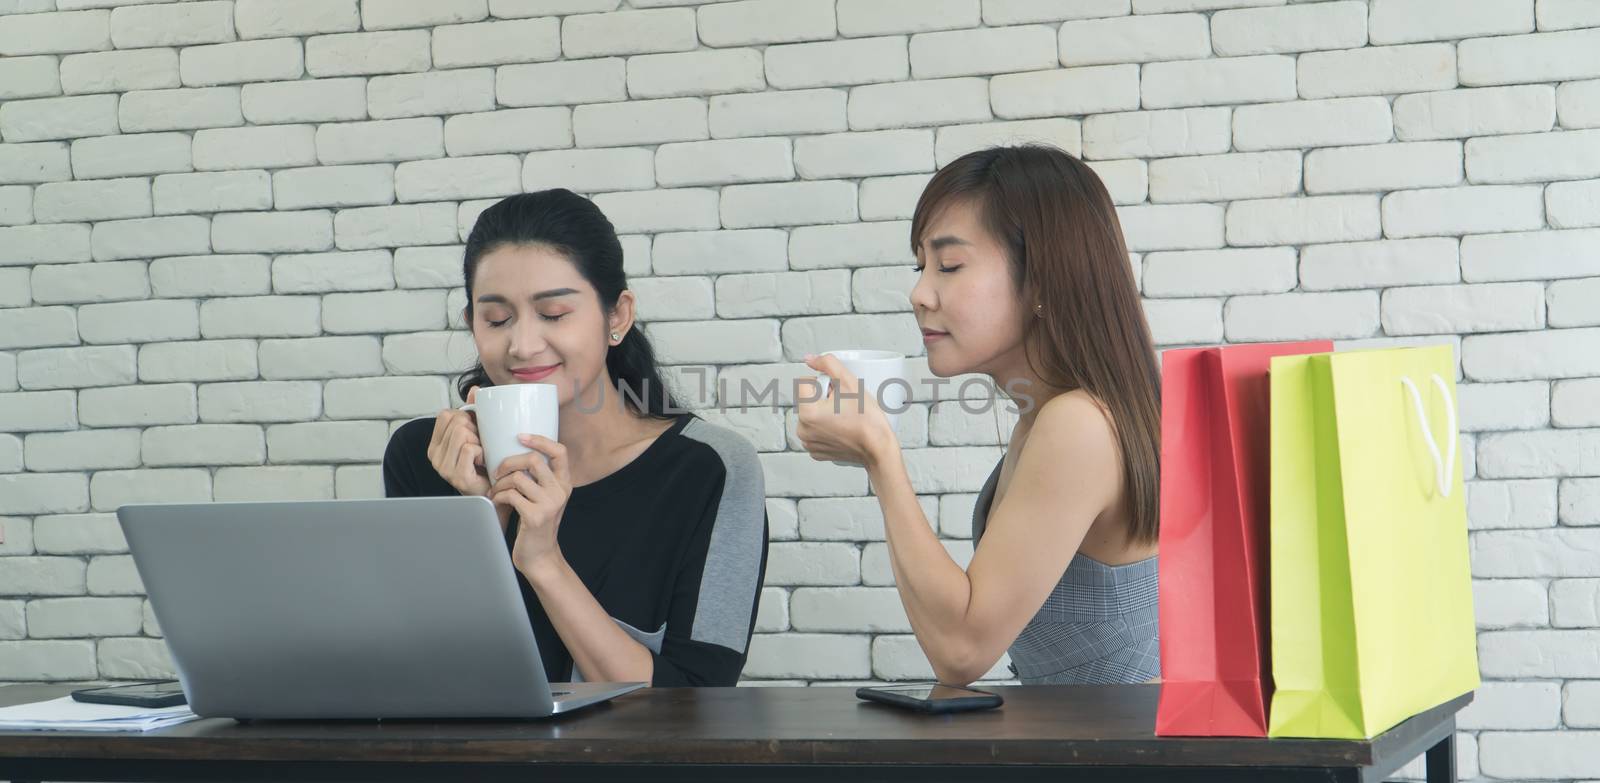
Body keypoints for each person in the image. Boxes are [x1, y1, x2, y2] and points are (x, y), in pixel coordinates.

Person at [794, 145, 1161, 686]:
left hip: (1129, 761)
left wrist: (881, 457)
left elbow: (961, 652)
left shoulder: (1079, 425)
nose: (919, 294)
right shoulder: (1044, 417)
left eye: (949, 265)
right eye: (921, 267)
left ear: (1041, 281)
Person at [383, 190, 769, 687]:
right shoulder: (428, 456)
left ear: (617, 317)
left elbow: (696, 700)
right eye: (497, 319)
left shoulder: (708, 468)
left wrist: (543, 559)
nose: (522, 345)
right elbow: (421, 678)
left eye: (554, 314)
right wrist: (484, 521)